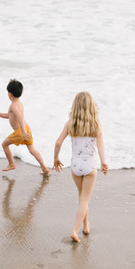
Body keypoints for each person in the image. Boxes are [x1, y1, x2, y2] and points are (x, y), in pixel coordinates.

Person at [53, 91, 108, 243]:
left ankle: (86, 225)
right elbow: (100, 144)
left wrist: (56, 158)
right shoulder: (95, 124)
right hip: (90, 166)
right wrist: (103, 162)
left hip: (75, 166)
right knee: (85, 199)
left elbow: (58, 142)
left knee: (82, 197)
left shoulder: (70, 123)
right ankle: (75, 230)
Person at [0, 79, 50, 175]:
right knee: (32, 150)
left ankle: (11, 164)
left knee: (4, 145)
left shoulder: (13, 106)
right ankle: (44, 168)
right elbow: (10, 116)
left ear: (10, 94)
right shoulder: (19, 103)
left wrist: (23, 132)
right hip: (26, 128)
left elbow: (20, 118)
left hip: (20, 131)